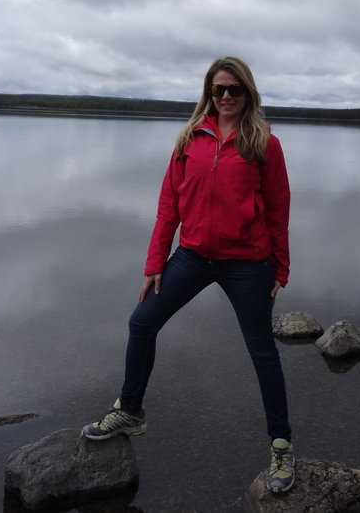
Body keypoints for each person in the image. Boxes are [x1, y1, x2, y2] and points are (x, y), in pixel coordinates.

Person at [81, 56, 295, 494]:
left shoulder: (264, 144)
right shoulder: (189, 139)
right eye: (219, 89)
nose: (227, 96)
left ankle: (281, 447)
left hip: (248, 263)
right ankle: (131, 411)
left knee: (262, 353)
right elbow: (168, 208)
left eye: (235, 89)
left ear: (248, 93)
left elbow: (278, 209)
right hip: (193, 256)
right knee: (142, 322)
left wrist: (281, 269)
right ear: (209, 94)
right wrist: (155, 264)